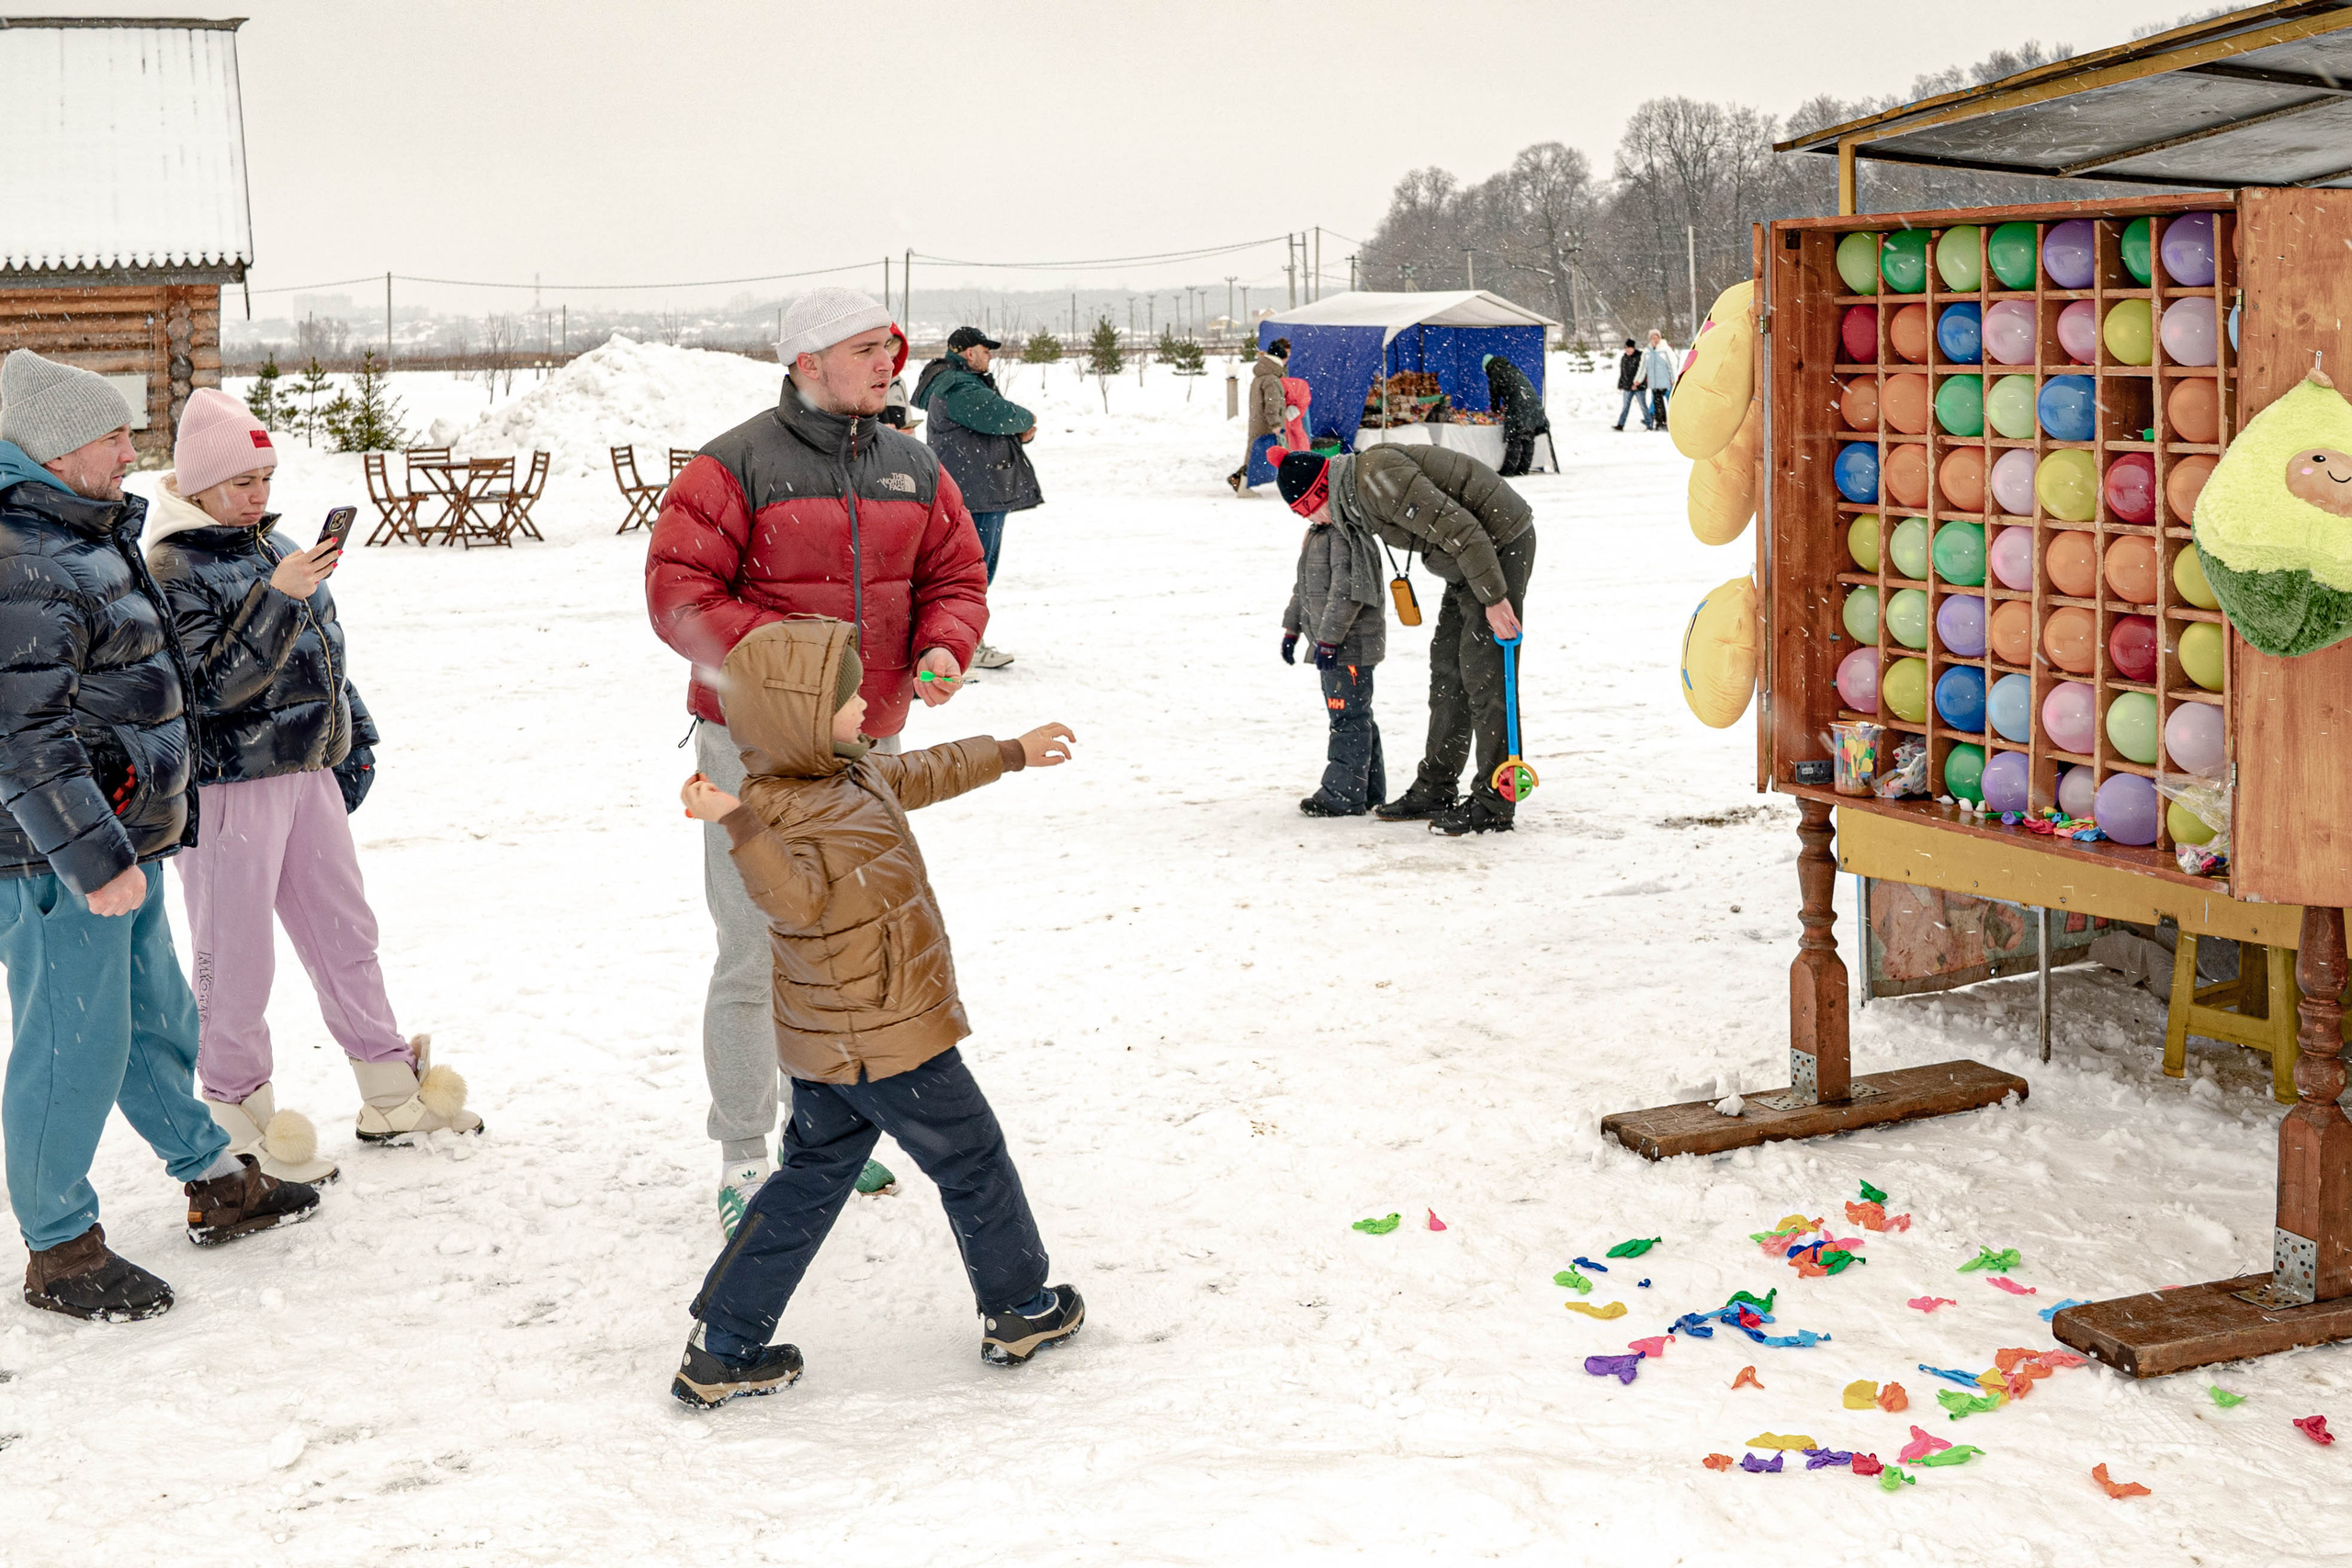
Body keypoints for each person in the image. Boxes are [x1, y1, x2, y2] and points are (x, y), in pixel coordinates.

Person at [647, 287, 990, 1239]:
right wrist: (803, 672)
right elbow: (679, 597)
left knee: (848, 944)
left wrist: (943, 645)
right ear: (806, 362)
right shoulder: (733, 465)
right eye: (866, 348)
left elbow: (955, 575)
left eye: (892, 347)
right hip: (752, 750)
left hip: (870, 741)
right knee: (756, 947)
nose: (890, 362)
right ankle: (744, 1151)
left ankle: (824, 1132)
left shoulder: (912, 466)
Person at [669, 617, 1083, 1407]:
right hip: (888, 1034)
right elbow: (788, 902)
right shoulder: (778, 812)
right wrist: (737, 823)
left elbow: (924, 770)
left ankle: (722, 1346)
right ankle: (1020, 1307)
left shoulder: (850, 774)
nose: (866, 705)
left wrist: (1008, 752)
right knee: (973, 1159)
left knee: (810, 1179)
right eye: (848, 697)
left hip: (836, 1044)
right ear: (798, 720)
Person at [0, 350, 319, 1322]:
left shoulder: (82, 531)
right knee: (70, 1042)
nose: (135, 452)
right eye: (116, 435)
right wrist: (93, 859)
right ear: (58, 448)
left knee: (151, 1019)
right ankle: (59, 1248)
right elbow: (22, 732)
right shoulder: (24, 555)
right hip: (58, 852)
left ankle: (212, 1175)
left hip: (118, 830)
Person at [145, 389, 481, 1185]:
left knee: (345, 929)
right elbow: (208, 688)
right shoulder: (173, 567)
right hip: (231, 786)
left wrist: (351, 736)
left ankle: (389, 1085)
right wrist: (279, 599)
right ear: (197, 485)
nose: (260, 494)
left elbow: (323, 652)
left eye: (266, 476)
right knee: (238, 952)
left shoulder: (277, 547)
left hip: (307, 771)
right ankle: (235, 1109)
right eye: (241, 482)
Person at [1278, 447, 1535, 837]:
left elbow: (1464, 531)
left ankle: (1494, 801)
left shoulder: (1378, 482)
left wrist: (1495, 599)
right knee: (1448, 673)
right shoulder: (1356, 493)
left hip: (1497, 547)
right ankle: (1437, 786)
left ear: (1318, 494)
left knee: (1485, 675)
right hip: (1467, 562)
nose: (1309, 521)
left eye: (1303, 510)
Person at [911, 326, 1037, 671]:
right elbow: (1004, 415)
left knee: (970, 573)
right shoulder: (959, 386)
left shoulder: (958, 382)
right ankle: (963, 641)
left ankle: (957, 638)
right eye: (986, 349)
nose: (990, 355)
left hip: (977, 490)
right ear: (968, 352)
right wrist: (1024, 421)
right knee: (972, 575)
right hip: (976, 495)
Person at [1280, 462, 1385, 817]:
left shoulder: (1347, 535)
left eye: (1309, 507)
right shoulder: (1318, 534)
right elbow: (1303, 588)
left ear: (1326, 495)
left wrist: (1327, 641)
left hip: (1349, 646)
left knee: (1348, 719)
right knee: (1356, 716)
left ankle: (1343, 795)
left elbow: (1349, 593)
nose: (1307, 517)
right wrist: (1292, 628)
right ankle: (1368, 789)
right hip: (1331, 644)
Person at [1227, 336, 1290, 493]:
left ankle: (1241, 482)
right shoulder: (1272, 379)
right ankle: (1244, 486)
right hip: (1266, 425)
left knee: (1253, 454)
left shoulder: (1260, 377)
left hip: (1257, 422)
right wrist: (1275, 424)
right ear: (1279, 360)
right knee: (1258, 456)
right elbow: (1272, 404)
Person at [1482, 353, 1550, 477]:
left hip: (1519, 406)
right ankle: (1523, 469)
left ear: (1487, 367)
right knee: (1528, 437)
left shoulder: (1495, 372)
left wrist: (1495, 410)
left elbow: (1495, 394)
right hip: (1532, 402)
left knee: (1515, 438)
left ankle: (1509, 470)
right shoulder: (1511, 368)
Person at [878, 326, 917, 432]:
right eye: (885, 357)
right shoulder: (859, 384)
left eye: (892, 358)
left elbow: (907, 420)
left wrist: (907, 438)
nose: (889, 364)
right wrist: (882, 433)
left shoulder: (899, 383)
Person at [1644, 330, 1678, 431]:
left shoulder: (1665, 349)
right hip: (1655, 382)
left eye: (1657, 337)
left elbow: (1672, 365)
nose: (1655, 340)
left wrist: (1673, 378)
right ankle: (1660, 422)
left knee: (1669, 402)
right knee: (1657, 403)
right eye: (1653, 338)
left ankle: (1672, 422)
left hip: (1666, 381)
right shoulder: (1649, 351)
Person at [1612, 338, 1649, 431]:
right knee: (1625, 407)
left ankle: (1649, 423)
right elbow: (1623, 372)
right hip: (1627, 387)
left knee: (1643, 406)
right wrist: (1620, 384)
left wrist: (1637, 383)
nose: (1628, 350)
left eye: (1629, 348)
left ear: (1633, 348)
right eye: (1626, 348)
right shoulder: (1624, 358)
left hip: (1639, 387)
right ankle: (1620, 424)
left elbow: (1643, 372)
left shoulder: (1639, 357)